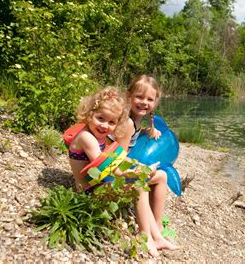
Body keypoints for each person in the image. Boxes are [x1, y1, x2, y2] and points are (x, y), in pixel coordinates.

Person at [68, 86, 177, 257]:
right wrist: (136, 173)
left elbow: (114, 157)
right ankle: (145, 236)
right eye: (100, 118)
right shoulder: (87, 138)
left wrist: (136, 164)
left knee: (142, 181)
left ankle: (157, 235)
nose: (105, 126)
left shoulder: (97, 135)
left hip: (98, 185)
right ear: (89, 114)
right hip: (89, 191)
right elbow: (106, 168)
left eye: (111, 122)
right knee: (138, 186)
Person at [115, 75, 169, 233]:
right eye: (139, 97)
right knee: (162, 177)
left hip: (114, 170)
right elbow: (118, 158)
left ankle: (152, 219)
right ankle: (156, 226)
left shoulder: (134, 121)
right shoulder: (128, 123)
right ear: (128, 96)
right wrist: (139, 167)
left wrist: (145, 131)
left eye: (149, 99)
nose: (144, 102)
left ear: (155, 102)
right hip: (112, 175)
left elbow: (129, 138)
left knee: (158, 175)